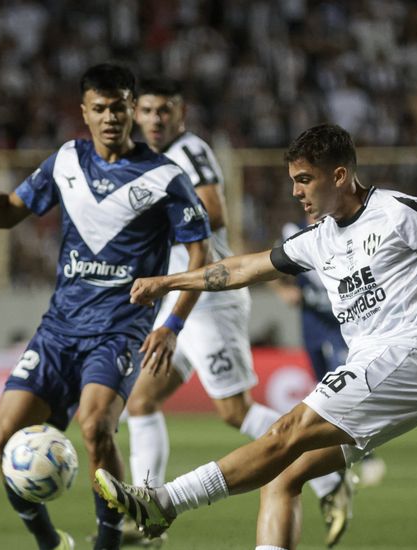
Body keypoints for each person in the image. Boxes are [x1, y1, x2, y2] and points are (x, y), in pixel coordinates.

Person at [94, 123, 417, 550]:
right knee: (283, 475)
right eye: (294, 181)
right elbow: (241, 269)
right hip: (372, 362)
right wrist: (170, 282)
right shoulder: (319, 238)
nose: (296, 192)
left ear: (340, 176)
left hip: (408, 353)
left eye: (305, 179)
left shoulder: (398, 211)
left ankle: (164, 501)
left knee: (285, 431)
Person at [0, 63, 212, 550]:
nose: (110, 117)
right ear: (84, 112)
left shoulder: (165, 177)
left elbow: (200, 257)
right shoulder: (65, 161)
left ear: (132, 111)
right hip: (58, 330)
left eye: (119, 108)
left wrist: (170, 324)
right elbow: (5, 214)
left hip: (119, 331)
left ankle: (107, 545)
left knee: (96, 429)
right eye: (99, 108)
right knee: (4, 437)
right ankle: (50, 543)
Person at [126, 77, 349, 547]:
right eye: (146, 110)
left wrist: (171, 314)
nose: (155, 119)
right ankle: (144, 512)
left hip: (208, 302)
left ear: (179, 113)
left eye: (163, 110)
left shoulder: (189, 151)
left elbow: (214, 214)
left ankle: (328, 474)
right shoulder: (147, 157)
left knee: (234, 411)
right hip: (183, 297)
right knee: (141, 400)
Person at [273, 215, 387, 490]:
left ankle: (365, 456)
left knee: (343, 393)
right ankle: (338, 459)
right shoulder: (294, 231)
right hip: (311, 324)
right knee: (323, 387)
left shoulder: (346, 229)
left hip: (341, 326)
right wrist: (283, 290)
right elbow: (271, 268)